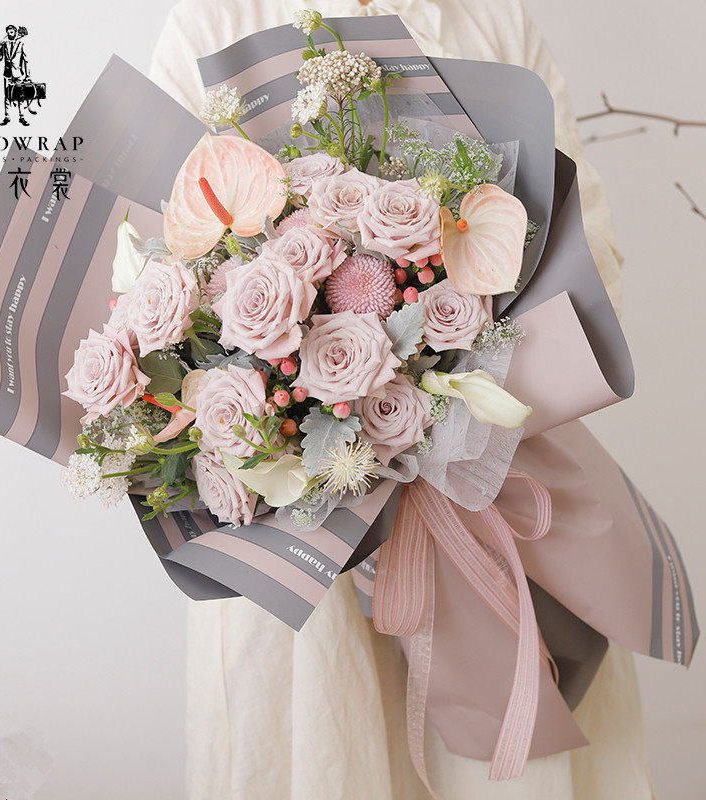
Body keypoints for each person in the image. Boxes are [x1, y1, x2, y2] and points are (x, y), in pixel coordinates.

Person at [149, 2, 648, 797]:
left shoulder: (492, 19)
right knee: (322, 751)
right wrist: (306, 398)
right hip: (296, 546)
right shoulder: (214, 23)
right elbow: (150, 283)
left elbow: (598, 266)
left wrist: (431, 391)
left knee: (507, 769)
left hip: (489, 495)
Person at [0, 24, 30, 126]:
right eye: (8, 33)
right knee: (7, 96)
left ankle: (22, 117)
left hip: (18, 74)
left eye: (11, 32)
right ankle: (7, 117)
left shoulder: (21, 44)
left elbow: (26, 60)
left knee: (20, 96)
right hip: (7, 74)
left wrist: (28, 76)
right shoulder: (4, 44)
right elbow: (0, 58)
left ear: (15, 32)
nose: (9, 34)